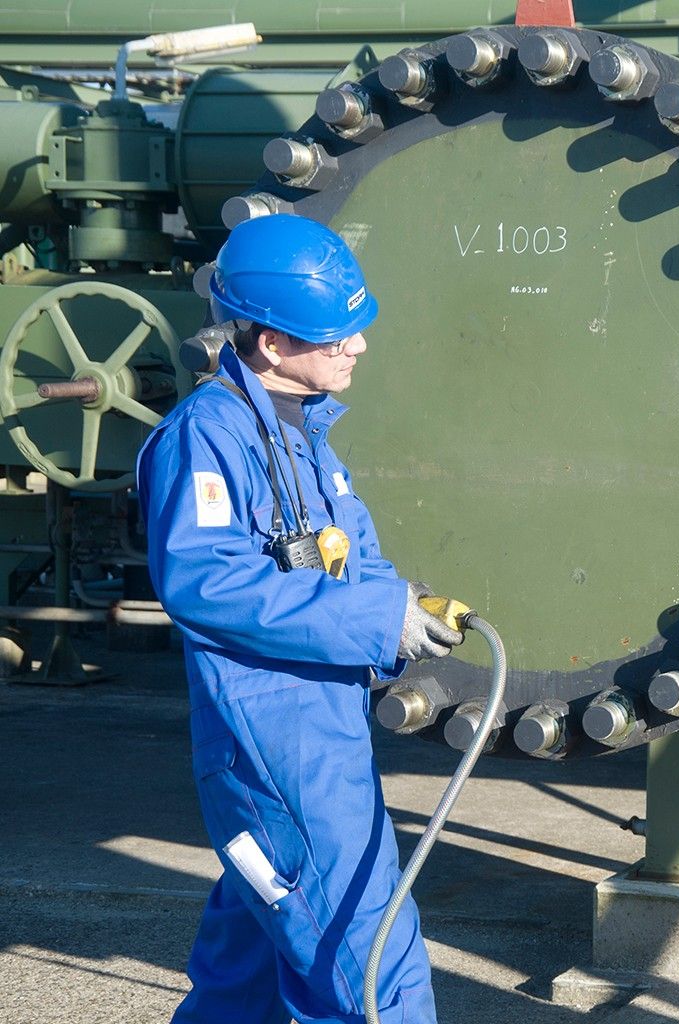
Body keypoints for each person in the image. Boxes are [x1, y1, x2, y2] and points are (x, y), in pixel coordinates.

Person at [138, 213, 465, 1024]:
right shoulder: (206, 438)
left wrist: (407, 605)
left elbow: (349, 559)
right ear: (271, 343)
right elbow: (207, 582)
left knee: (246, 971)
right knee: (370, 968)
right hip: (273, 745)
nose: (359, 346)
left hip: (320, 732)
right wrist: (375, 616)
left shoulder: (306, 434)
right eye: (336, 336)